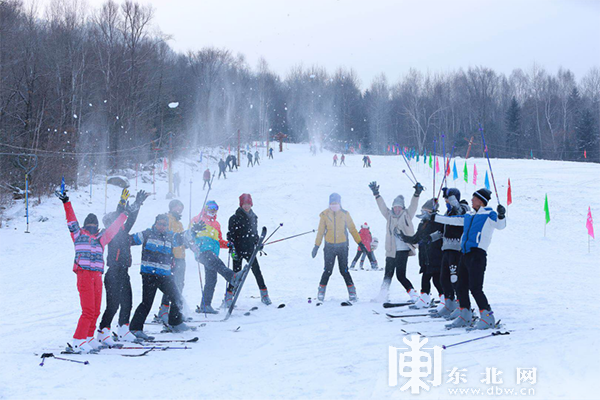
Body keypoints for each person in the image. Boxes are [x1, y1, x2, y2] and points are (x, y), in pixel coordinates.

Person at [56, 188, 130, 354]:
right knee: (88, 310)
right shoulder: (78, 235)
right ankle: (78, 340)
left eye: (95, 224)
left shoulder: (100, 238)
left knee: (96, 310)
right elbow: (71, 219)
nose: (92, 226)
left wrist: (124, 214)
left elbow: (114, 228)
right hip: (84, 274)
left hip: (97, 275)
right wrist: (66, 202)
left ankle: (89, 337)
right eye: (90, 224)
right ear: (85, 225)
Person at [432, 188, 506, 330]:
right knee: (460, 286)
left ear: (481, 201)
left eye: (474, 198)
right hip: (465, 254)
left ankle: (487, 317)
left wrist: (502, 215)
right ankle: (465, 315)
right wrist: (433, 217)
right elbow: (451, 220)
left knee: (475, 288)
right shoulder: (469, 215)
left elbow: (500, 225)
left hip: (477, 255)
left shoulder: (489, 214)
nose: (471, 200)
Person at [129, 214, 202, 340]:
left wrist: (193, 230)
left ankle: (175, 323)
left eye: (164, 224)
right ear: (155, 223)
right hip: (149, 274)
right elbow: (130, 240)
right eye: (159, 224)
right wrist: (118, 235)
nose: (161, 227)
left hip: (164, 275)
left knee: (177, 297)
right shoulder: (147, 234)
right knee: (147, 302)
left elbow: (183, 237)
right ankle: (135, 328)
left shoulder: (171, 236)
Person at [98, 189, 149, 345]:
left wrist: (138, 204)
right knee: (112, 304)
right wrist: (122, 202)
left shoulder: (123, 232)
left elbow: (130, 219)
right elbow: (122, 217)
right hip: (113, 272)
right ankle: (103, 330)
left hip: (123, 271)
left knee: (127, 302)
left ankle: (123, 330)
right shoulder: (109, 233)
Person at [368, 181, 423, 303]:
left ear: (402, 207)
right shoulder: (389, 216)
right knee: (388, 274)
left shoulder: (407, 214)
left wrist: (417, 193)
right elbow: (382, 206)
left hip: (403, 249)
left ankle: (414, 295)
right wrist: (376, 194)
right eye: (395, 207)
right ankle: (382, 296)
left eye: (399, 207)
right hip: (391, 250)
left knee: (400, 275)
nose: (397, 209)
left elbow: (413, 205)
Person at [190, 201, 243, 313]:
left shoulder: (216, 224)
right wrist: (194, 244)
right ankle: (232, 277)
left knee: (211, 279)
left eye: (215, 208)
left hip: (213, 253)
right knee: (218, 265)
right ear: (205, 208)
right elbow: (189, 235)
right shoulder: (197, 219)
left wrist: (227, 244)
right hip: (202, 251)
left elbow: (218, 241)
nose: (213, 210)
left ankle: (205, 305)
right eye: (210, 208)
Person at [312, 193, 366, 302]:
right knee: (327, 271)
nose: (334, 205)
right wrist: (316, 246)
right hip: (329, 247)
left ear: (340, 203)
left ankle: (352, 293)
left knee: (344, 270)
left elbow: (352, 229)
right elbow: (320, 232)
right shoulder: (324, 215)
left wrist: (360, 242)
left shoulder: (345, 214)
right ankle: (321, 292)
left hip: (342, 247)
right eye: (332, 203)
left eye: (336, 203)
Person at [430, 188, 470, 318]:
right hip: (447, 248)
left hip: (456, 249)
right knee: (444, 278)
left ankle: (461, 304)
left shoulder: (463, 208)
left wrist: (452, 198)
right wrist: (430, 238)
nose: (446, 201)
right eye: (445, 199)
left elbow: (459, 212)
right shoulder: (448, 212)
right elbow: (442, 230)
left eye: (447, 198)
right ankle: (449, 303)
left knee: (455, 278)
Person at [226, 193, 271, 307]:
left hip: (250, 250)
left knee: (257, 271)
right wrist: (231, 246)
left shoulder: (254, 217)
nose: (246, 206)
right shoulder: (234, 218)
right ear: (241, 205)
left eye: (248, 204)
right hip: (238, 250)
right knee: (236, 274)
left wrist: (258, 243)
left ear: (251, 204)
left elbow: (254, 234)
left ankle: (264, 295)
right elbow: (230, 234)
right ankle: (229, 297)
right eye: (244, 204)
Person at [400, 198, 444, 309]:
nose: (422, 213)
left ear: (431, 212)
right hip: (425, 257)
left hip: (435, 256)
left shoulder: (438, 223)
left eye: (425, 211)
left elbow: (439, 236)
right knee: (426, 278)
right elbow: (415, 239)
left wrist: (429, 239)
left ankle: (445, 299)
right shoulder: (422, 224)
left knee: (436, 280)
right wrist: (404, 237)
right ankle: (425, 299)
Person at [155, 199, 187, 324]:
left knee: (179, 284)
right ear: (171, 208)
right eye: (177, 207)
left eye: (181, 208)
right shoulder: (168, 219)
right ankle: (164, 310)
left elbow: (182, 239)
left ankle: (176, 312)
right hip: (172, 257)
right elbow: (166, 236)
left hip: (181, 256)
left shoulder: (179, 223)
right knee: (171, 285)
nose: (179, 210)